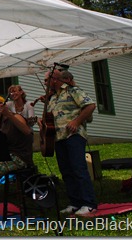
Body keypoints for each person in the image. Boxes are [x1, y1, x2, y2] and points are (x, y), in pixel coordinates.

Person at [44, 67, 97, 216]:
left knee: (78, 168)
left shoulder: (72, 91)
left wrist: (77, 121)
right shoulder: (53, 98)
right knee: (66, 171)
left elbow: (90, 105)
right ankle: (75, 202)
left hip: (73, 135)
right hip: (58, 137)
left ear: (54, 79)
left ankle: (89, 203)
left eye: (47, 80)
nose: (45, 82)